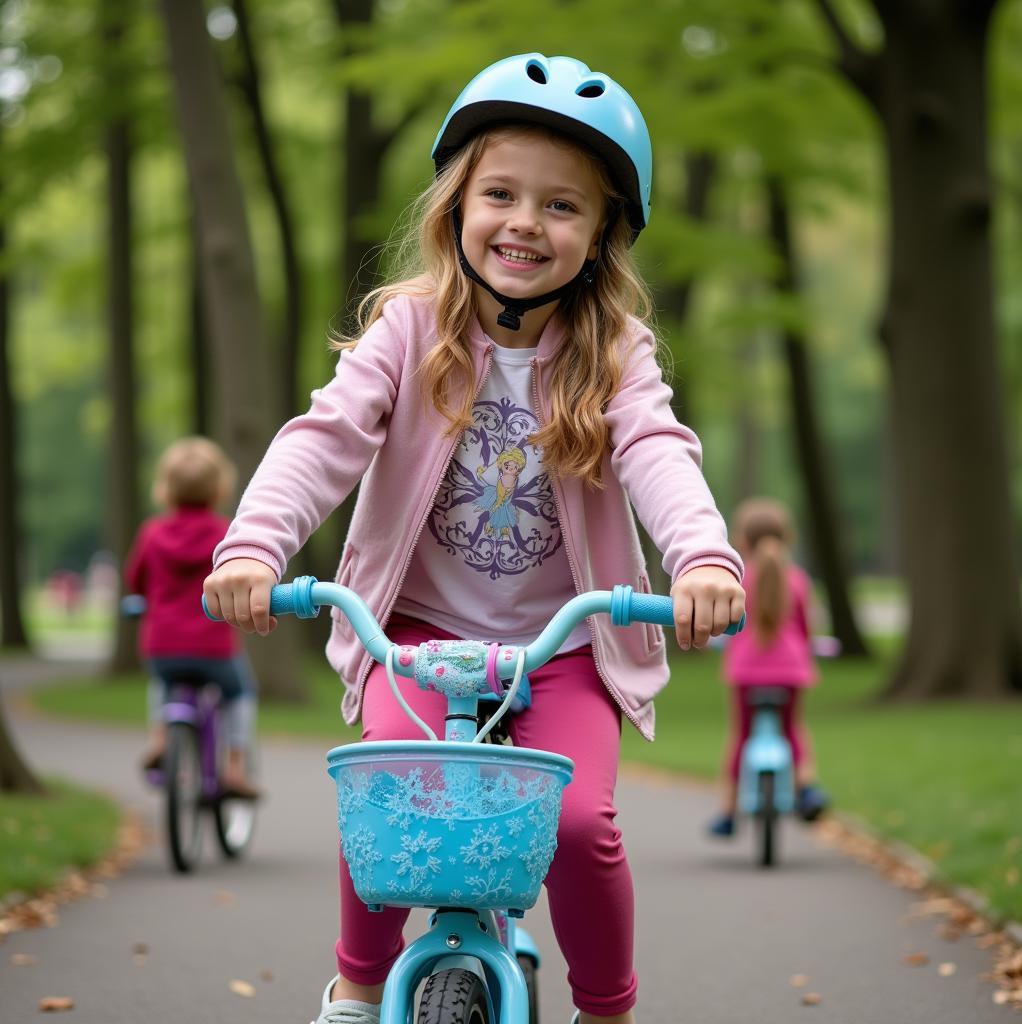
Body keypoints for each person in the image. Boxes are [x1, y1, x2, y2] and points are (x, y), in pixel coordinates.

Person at [203, 53, 745, 1024]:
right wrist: (254, 546)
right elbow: (322, 441)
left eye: (562, 206)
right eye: (501, 193)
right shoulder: (409, 331)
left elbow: (661, 452)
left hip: (564, 649)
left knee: (580, 826)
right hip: (411, 635)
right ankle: (358, 990)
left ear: (604, 235)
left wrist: (702, 559)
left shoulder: (613, 352)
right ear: (456, 206)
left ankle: (608, 1008)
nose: (526, 222)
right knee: (388, 811)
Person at [125, 437, 260, 800]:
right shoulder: (227, 533)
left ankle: (160, 739)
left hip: (163, 645)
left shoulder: (152, 534)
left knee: (163, 683)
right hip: (214, 647)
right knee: (240, 692)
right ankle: (233, 768)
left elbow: (135, 580)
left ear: (165, 490)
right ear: (219, 490)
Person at [708, 497, 829, 838]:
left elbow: (727, 626)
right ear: (787, 537)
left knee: (742, 737)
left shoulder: (738, 580)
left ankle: (728, 813)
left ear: (742, 540)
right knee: (793, 730)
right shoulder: (798, 580)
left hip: (746, 671)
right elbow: (805, 630)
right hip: (791, 671)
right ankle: (807, 788)